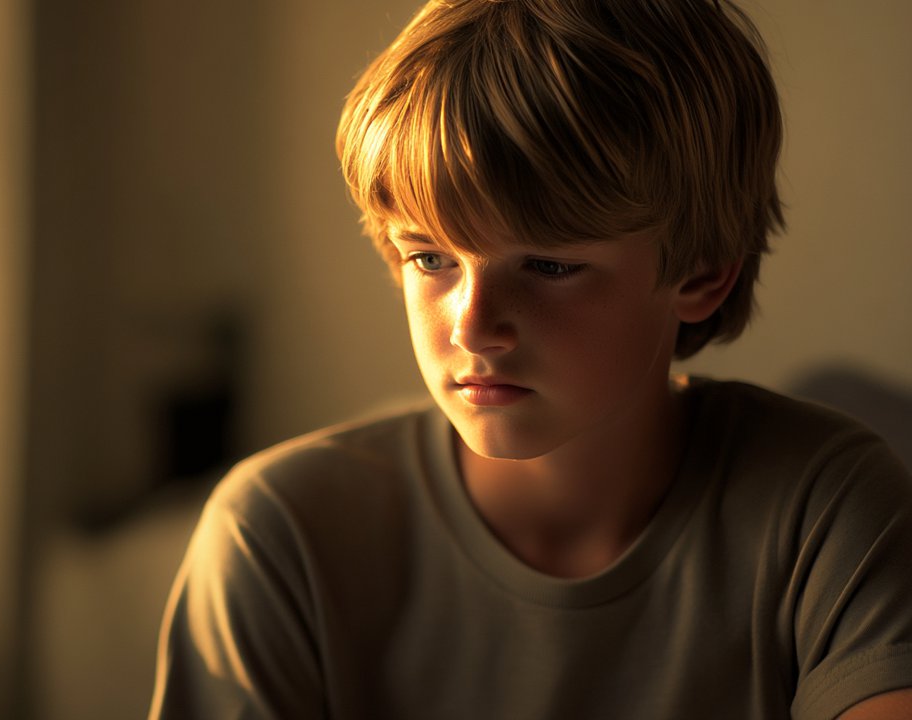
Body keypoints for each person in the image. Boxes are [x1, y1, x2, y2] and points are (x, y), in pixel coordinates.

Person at [149, 0, 912, 717]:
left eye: (548, 266)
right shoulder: (282, 536)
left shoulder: (826, 511)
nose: (473, 327)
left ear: (704, 272)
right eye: (430, 259)